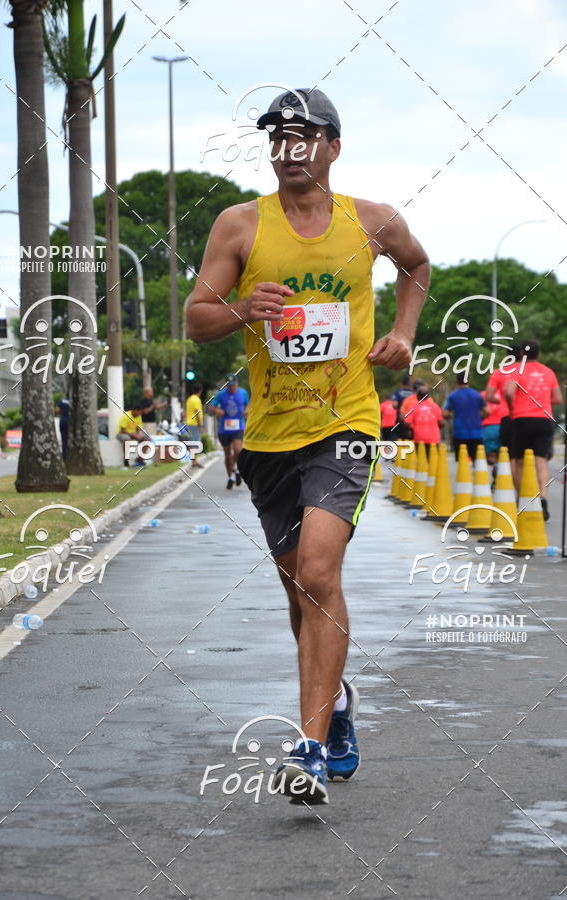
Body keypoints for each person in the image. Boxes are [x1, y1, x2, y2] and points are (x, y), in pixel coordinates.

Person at [185, 88, 429, 805]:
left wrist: (405, 333)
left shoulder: (373, 221)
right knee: (301, 587)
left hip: (347, 421)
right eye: (279, 137)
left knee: (321, 570)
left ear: (333, 146)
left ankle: (311, 746)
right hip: (268, 438)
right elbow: (196, 319)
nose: (292, 148)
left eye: (306, 135)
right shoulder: (239, 226)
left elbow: (416, 268)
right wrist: (241, 309)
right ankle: (339, 700)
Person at [505, 339, 562, 520]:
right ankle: (542, 497)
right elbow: (558, 398)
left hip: (522, 418)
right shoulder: (549, 372)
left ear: (522, 354)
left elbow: (508, 391)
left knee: (518, 461)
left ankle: (522, 498)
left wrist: (513, 407)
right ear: (539, 353)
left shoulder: (517, 370)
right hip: (544, 419)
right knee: (541, 461)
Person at [485, 343, 523, 483]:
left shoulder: (499, 372)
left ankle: (516, 490)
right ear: (521, 355)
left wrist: (501, 401)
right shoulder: (526, 371)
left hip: (506, 418)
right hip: (524, 417)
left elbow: (488, 396)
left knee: (511, 456)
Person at [209, 374, 249, 488]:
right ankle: (230, 477)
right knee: (227, 454)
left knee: (238, 450)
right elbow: (212, 407)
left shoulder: (243, 393)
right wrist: (217, 410)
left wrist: (246, 411)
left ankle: (235, 468)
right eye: (229, 386)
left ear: (237, 384)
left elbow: (249, 405)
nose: (231, 388)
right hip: (224, 429)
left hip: (238, 427)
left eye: (233, 385)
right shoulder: (220, 394)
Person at [443, 375, 489, 461]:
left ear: (456, 381)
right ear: (469, 381)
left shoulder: (453, 396)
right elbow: (488, 411)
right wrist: (480, 418)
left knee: (461, 461)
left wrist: (452, 417)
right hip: (477, 433)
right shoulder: (477, 395)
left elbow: (445, 413)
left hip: (460, 434)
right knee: (478, 461)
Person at [405, 384, 442, 450]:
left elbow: (407, 423)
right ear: (428, 396)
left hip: (419, 439)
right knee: (433, 459)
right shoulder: (435, 406)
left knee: (421, 459)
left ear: (417, 396)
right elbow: (441, 423)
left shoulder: (413, 407)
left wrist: (412, 429)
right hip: (434, 439)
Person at [116, 402, 146, 467]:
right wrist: (134, 435)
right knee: (127, 439)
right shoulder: (126, 416)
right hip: (122, 433)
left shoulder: (139, 417)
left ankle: (140, 459)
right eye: (139, 412)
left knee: (147, 439)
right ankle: (126, 460)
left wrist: (140, 434)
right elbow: (122, 430)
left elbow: (139, 428)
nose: (140, 413)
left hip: (133, 433)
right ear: (135, 410)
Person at [185, 382, 205, 469]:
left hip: (189, 423)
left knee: (192, 442)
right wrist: (200, 426)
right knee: (196, 443)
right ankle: (194, 461)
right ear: (200, 391)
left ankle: (194, 461)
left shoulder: (189, 399)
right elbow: (197, 413)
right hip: (194, 424)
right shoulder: (197, 400)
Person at [391, 374, 413, 439]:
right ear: (409, 383)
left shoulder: (397, 393)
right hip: (410, 421)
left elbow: (395, 405)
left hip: (400, 419)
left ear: (401, 383)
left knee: (399, 440)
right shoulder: (413, 393)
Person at [54, 396, 70, 460]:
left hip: (63, 422)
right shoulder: (73, 401)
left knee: (64, 441)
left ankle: (64, 457)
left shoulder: (63, 401)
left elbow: (57, 410)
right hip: (70, 422)